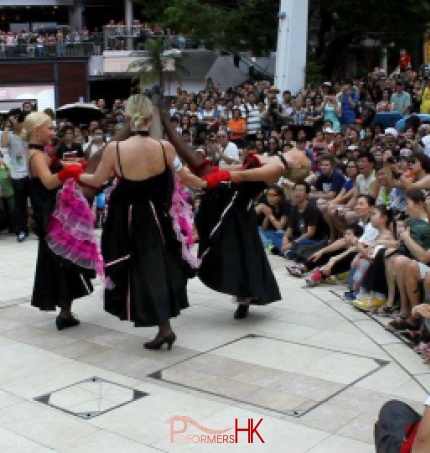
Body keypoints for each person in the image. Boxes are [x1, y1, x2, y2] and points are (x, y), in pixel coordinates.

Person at [79, 94, 197, 350]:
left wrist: (71, 172)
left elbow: (96, 179)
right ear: (151, 117)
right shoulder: (165, 147)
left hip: (129, 218)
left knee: (140, 269)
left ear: (126, 117)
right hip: (158, 216)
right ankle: (164, 327)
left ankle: (163, 327)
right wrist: (217, 179)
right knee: (159, 267)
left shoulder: (115, 149)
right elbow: (187, 177)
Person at [26, 112, 92, 330]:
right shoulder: (35, 155)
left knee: (62, 260)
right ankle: (64, 312)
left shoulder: (42, 153)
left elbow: (55, 165)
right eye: (50, 129)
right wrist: (67, 172)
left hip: (53, 212)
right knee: (61, 260)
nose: (53, 133)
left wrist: (70, 164)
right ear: (37, 131)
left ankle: (65, 312)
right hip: (50, 214)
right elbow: (47, 182)